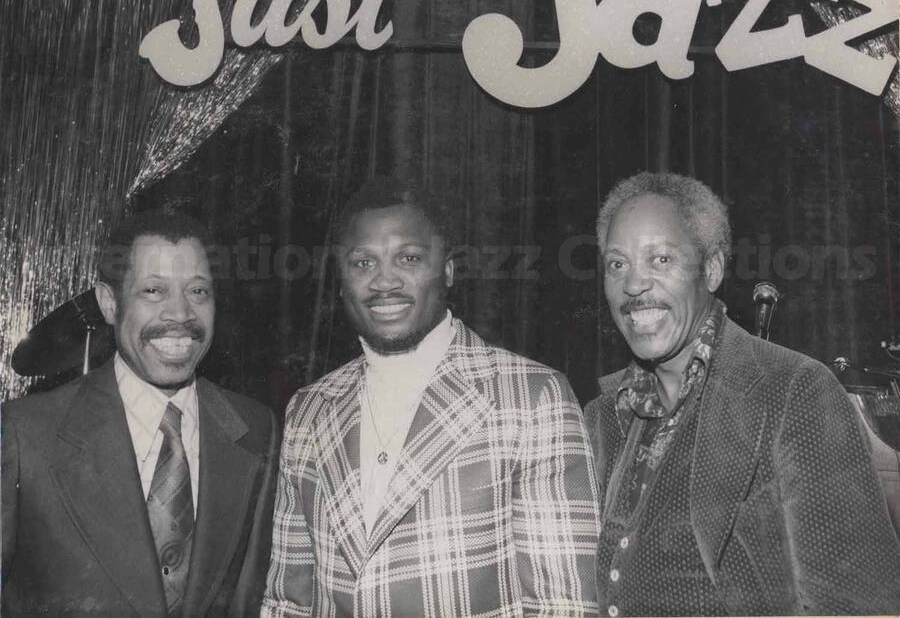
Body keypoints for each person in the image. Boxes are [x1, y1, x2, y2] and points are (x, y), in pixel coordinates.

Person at [263, 178, 600, 617]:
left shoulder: (533, 397)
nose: (384, 281)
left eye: (408, 258)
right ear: (341, 281)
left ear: (448, 270)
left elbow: (566, 606)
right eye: (363, 262)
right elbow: (287, 602)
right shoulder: (308, 409)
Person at [585, 171, 900, 616]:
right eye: (618, 264)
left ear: (711, 269)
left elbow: (860, 606)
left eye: (660, 260)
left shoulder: (795, 392)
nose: (634, 286)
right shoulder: (601, 416)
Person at [2, 211, 279, 617]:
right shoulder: (24, 434)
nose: (181, 314)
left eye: (198, 291)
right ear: (109, 303)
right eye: (153, 290)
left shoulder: (255, 429)